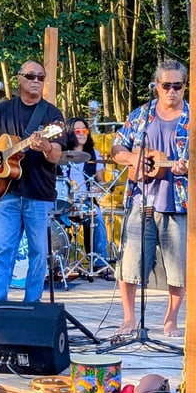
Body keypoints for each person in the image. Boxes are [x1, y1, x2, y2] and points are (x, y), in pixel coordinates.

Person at [0, 60, 66, 302]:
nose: (36, 81)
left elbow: (55, 155)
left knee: (39, 253)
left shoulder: (52, 115)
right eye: (31, 76)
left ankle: (32, 305)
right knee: (2, 251)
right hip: (7, 193)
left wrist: (44, 146)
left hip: (39, 194)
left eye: (41, 77)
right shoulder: (3, 109)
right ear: (19, 79)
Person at [110, 59, 190, 338]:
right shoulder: (141, 115)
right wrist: (136, 157)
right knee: (129, 262)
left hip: (177, 202)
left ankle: (171, 319)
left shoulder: (193, 118)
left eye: (177, 86)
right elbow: (116, 147)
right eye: (166, 85)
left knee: (178, 267)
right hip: (140, 199)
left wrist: (184, 167)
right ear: (156, 86)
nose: (172, 91)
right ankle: (129, 318)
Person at [61, 117, 114, 280]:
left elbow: (101, 181)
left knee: (96, 215)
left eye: (84, 130)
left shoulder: (94, 153)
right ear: (70, 133)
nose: (82, 134)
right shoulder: (61, 153)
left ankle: (99, 262)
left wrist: (99, 187)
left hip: (86, 201)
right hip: (63, 200)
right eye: (78, 131)